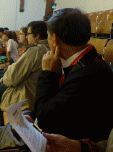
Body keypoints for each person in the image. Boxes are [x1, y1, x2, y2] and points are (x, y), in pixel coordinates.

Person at [24, 8, 113, 146]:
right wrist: (32, 115)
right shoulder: (78, 60)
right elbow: (53, 101)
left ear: (55, 39)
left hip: (70, 143)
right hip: (60, 133)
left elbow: (46, 120)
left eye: (48, 36)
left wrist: (47, 74)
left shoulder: (90, 74)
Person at [0, 21, 49, 139]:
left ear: (37, 35)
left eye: (28, 34)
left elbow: (13, 77)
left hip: (24, 95)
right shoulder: (45, 49)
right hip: (29, 91)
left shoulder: (35, 51)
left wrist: (4, 79)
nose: (26, 37)